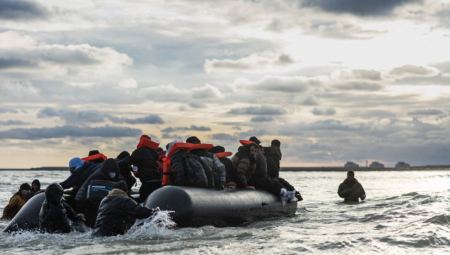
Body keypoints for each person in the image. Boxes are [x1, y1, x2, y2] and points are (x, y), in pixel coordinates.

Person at [75, 158, 124, 227]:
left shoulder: (114, 175)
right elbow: (94, 194)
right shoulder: (99, 175)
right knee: (92, 220)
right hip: (84, 200)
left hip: (92, 199)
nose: (113, 174)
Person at [117, 135, 161, 203]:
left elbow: (129, 160)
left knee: (143, 201)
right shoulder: (153, 152)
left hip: (147, 181)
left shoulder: (140, 151)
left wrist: (117, 163)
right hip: (157, 180)